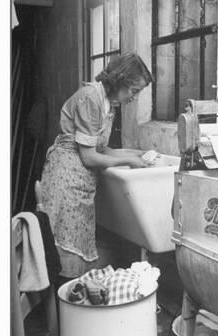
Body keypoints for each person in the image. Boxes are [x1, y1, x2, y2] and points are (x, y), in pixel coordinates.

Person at [38, 52, 152, 280]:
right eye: (134, 90)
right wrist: (129, 160)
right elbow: (90, 157)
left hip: (80, 183)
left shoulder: (106, 103)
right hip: (66, 181)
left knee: (75, 246)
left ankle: (71, 305)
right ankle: (64, 307)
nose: (134, 97)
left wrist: (138, 153)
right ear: (120, 80)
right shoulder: (90, 98)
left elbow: (102, 149)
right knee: (62, 250)